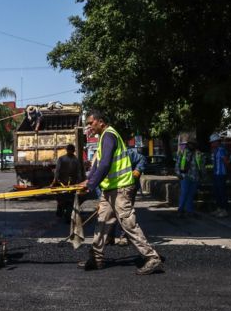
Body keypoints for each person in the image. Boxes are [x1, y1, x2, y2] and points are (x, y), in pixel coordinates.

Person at [78, 110, 163, 275]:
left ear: (101, 122)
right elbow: (97, 165)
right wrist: (89, 181)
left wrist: (91, 184)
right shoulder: (103, 137)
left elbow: (105, 164)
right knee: (102, 222)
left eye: (90, 123)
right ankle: (96, 258)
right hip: (110, 188)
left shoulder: (109, 135)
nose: (88, 126)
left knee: (127, 223)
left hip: (121, 188)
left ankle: (152, 258)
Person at [109, 146, 146, 246]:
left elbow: (142, 158)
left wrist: (138, 170)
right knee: (110, 212)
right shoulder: (103, 159)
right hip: (111, 188)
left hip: (128, 188)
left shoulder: (126, 154)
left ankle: (124, 236)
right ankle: (109, 237)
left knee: (125, 213)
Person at [51, 144, 85, 222]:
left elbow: (57, 171)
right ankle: (63, 212)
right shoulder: (75, 160)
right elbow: (79, 173)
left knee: (63, 199)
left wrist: (55, 180)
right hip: (69, 184)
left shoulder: (62, 159)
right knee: (67, 199)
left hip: (64, 184)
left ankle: (62, 211)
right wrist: (79, 183)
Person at [174, 140, 205, 218]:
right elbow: (177, 164)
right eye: (191, 144)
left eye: (194, 144)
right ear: (188, 145)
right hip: (185, 176)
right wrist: (178, 174)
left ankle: (189, 210)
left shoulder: (198, 153)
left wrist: (203, 175)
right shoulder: (182, 152)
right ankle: (180, 210)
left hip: (195, 177)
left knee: (191, 194)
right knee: (184, 193)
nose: (192, 146)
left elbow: (201, 165)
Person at [209, 133, 230, 217]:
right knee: (217, 192)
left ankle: (224, 210)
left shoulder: (221, 150)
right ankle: (219, 209)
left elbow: (225, 161)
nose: (211, 143)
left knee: (222, 192)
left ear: (217, 142)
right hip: (216, 174)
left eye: (213, 142)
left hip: (221, 174)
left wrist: (227, 172)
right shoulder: (215, 150)